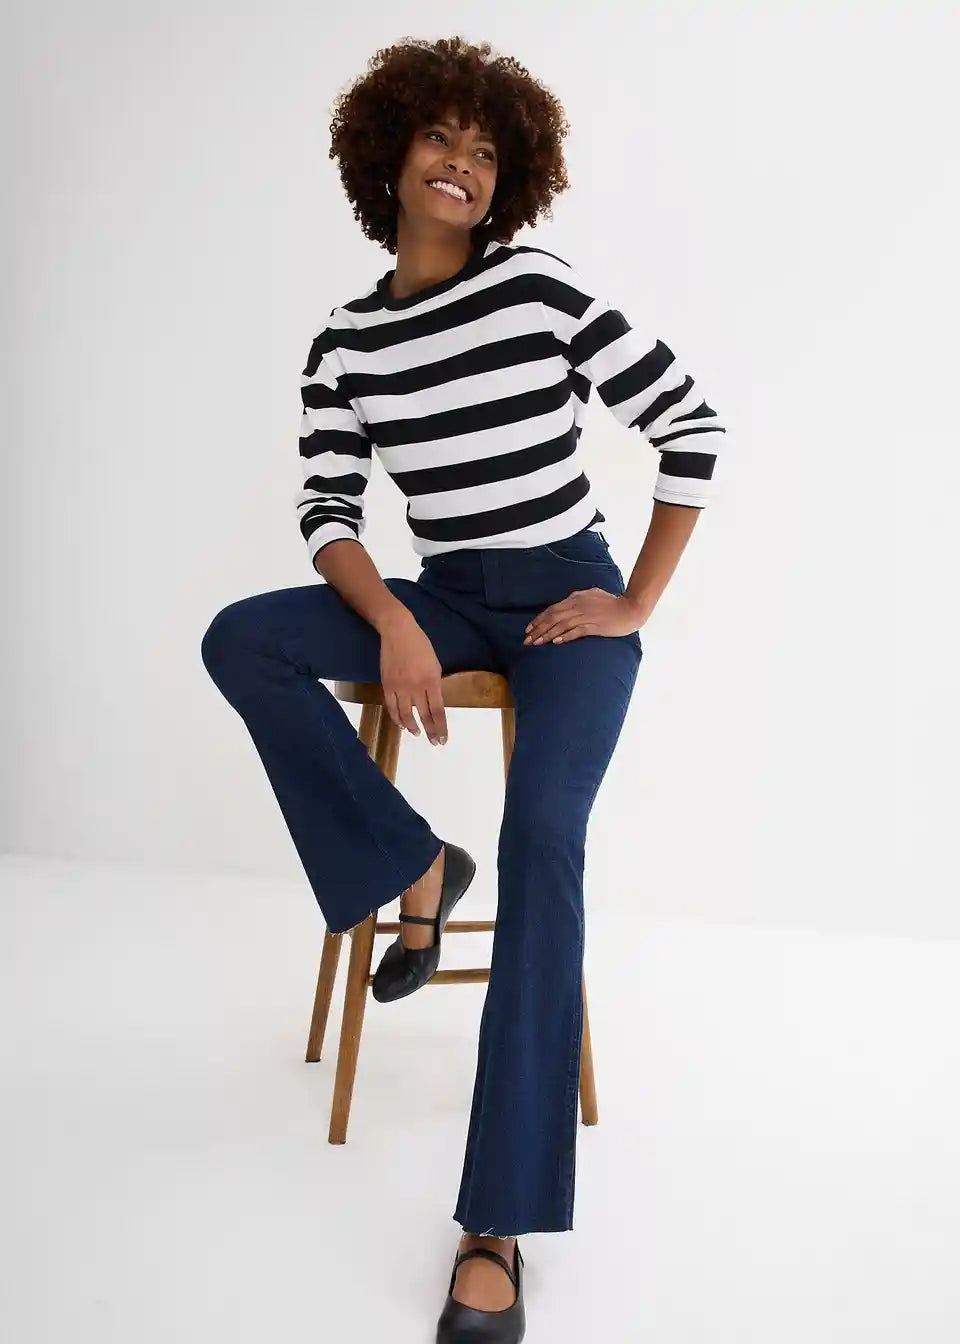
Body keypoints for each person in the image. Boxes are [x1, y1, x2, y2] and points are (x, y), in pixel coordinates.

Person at [200, 35, 725, 1344]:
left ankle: (496, 1224)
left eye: (486, 151)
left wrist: (634, 602)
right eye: (440, 136)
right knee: (243, 641)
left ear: (510, 180)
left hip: (566, 602)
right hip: (438, 593)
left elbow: (693, 425)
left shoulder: (537, 288)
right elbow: (327, 510)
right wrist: (391, 622)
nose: (462, 164)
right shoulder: (346, 341)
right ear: (388, 152)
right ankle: (416, 867)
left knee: (544, 837)